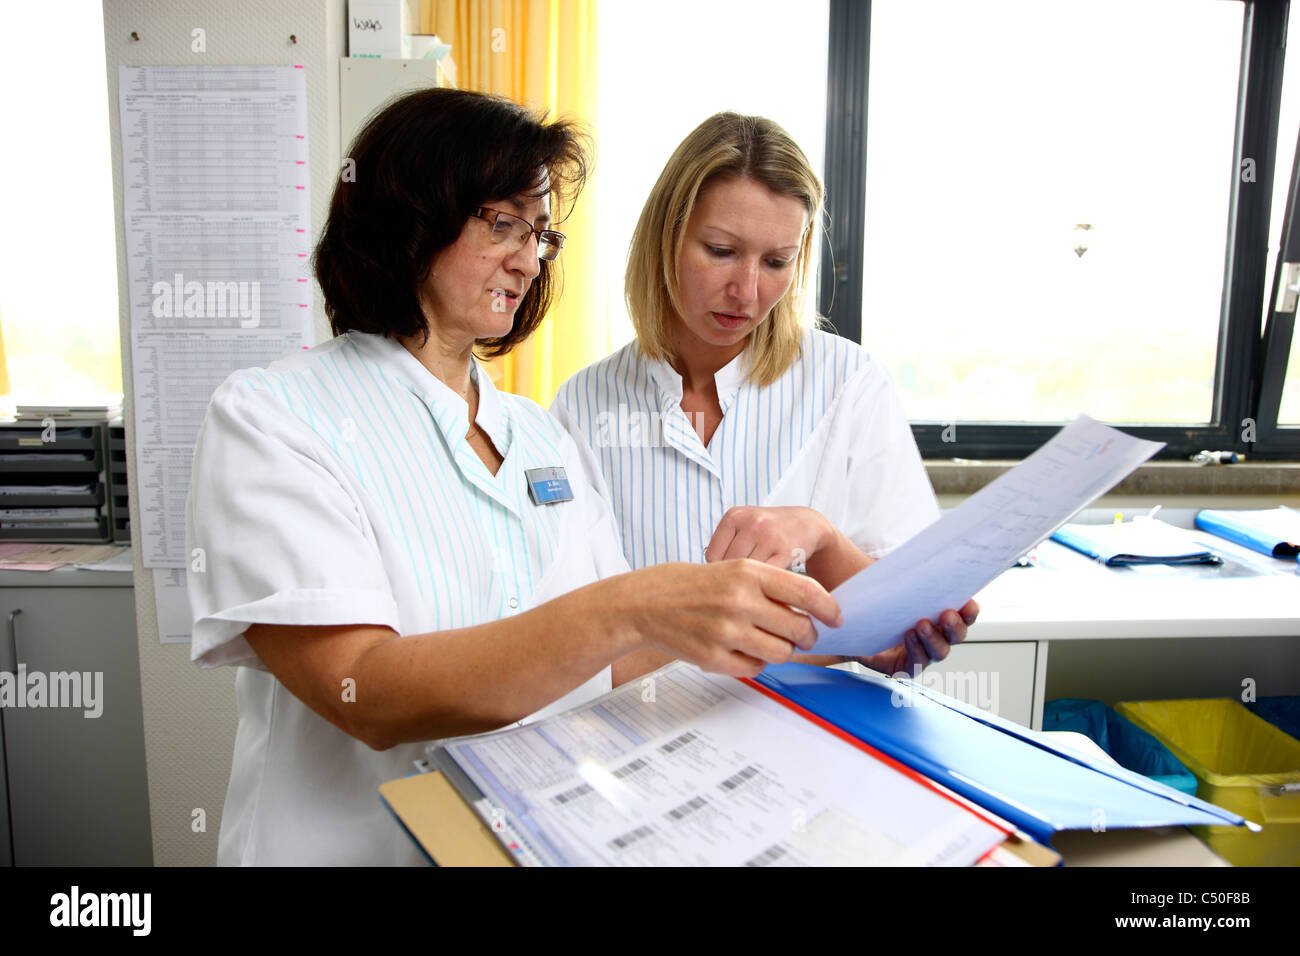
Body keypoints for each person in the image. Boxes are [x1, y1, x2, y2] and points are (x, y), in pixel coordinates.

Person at [185, 90, 842, 866]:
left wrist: (734, 612)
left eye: (540, 234)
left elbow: (613, 662)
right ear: (408, 219)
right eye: (502, 224)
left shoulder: (538, 434)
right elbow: (364, 690)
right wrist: (636, 605)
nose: (529, 259)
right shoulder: (274, 417)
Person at [552, 112, 976, 679]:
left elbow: (906, 608)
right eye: (722, 251)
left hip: (811, 737)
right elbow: (576, 642)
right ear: (665, 238)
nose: (747, 292)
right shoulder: (583, 408)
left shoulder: (848, 381)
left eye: (777, 261)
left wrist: (823, 539)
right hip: (646, 738)